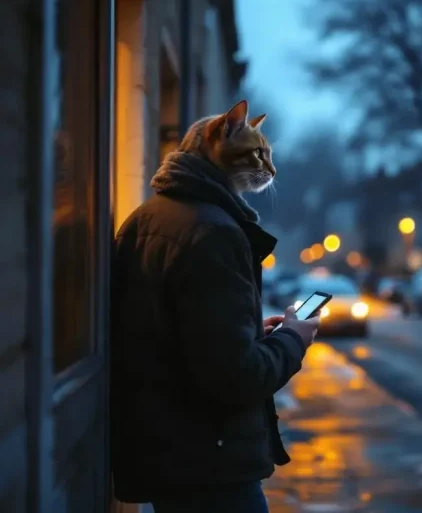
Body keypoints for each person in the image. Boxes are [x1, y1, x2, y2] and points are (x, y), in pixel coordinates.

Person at [110, 100, 319, 513]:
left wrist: (253, 335)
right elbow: (237, 377)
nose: (269, 169)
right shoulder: (213, 233)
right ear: (219, 139)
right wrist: (294, 340)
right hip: (211, 467)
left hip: (167, 455)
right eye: (259, 154)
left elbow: (176, 337)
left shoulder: (146, 218)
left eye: (268, 155)